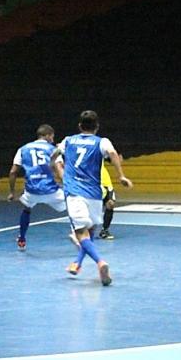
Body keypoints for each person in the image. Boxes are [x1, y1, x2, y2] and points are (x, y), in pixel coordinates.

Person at [50, 110, 133, 286]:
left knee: (80, 233)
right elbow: (112, 153)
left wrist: (53, 163)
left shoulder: (68, 140)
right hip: (94, 193)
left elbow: (54, 154)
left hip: (74, 191)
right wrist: (121, 176)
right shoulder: (102, 141)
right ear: (97, 127)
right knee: (91, 230)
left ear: (79, 126)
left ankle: (100, 262)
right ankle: (77, 263)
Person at [8, 124, 66, 250]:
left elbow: (13, 172)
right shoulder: (53, 149)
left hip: (32, 190)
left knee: (27, 208)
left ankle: (22, 238)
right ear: (47, 135)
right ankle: (79, 233)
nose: (53, 140)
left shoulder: (23, 149)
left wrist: (12, 192)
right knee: (73, 205)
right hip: (51, 190)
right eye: (52, 137)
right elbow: (59, 170)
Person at [99, 161, 116, 239]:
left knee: (110, 204)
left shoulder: (100, 149)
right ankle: (81, 230)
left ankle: (104, 231)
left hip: (105, 181)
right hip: (92, 181)